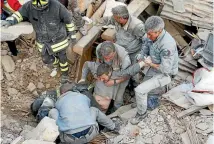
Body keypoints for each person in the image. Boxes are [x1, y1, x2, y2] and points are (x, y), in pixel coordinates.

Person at [1, 0, 77, 83]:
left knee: (63, 58)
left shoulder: (56, 5)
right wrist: (10, 21)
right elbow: (19, 14)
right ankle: (56, 64)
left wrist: (72, 36)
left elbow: (68, 19)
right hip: (43, 41)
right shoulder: (29, 6)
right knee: (46, 59)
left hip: (59, 39)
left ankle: (65, 75)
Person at [130, 16, 179, 125]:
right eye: (147, 33)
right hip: (154, 66)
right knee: (143, 87)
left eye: (150, 34)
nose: (148, 36)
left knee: (140, 90)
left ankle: (142, 114)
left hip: (166, 73)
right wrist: (141, 56)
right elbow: (145, 46)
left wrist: (149, 63)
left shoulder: (167, 45)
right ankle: (142, 103)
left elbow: (165, 69)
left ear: (159, 31)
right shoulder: (150, 35)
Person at [48, 89, 120, 144]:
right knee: (93, 110)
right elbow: (88, 106)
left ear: (62, 93)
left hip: (69, 140)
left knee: (53, 112)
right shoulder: (82, 96)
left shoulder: (59, 101)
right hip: (91, 134)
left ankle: (53, 137)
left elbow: (55, 112)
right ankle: (113, 126)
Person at [79, 41, 132, 112]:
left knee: (118, 99)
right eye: (105, 58)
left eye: (110, 57)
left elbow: (128, 75)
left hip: (122, 75)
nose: (107, 60)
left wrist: (115, 81)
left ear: (114, 52)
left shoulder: (124, 60)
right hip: (107, 71)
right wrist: (96, 75)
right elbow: (96, 64)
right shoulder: (99, 49)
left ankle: (115, 113)